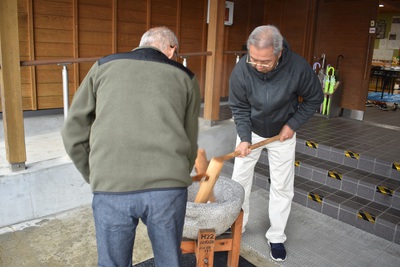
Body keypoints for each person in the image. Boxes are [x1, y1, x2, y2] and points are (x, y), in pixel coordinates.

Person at [61, 26, 200, 267]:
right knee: (169, 261)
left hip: (111, 187)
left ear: (142, 44)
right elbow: (190, 138)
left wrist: (95, 175)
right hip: (167, 189)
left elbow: (73, 132)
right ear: (172, 49)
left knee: (112, 263)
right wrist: (178, 173)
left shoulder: (103, 67)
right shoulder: (185, 76)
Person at [228, 25, 324, 262]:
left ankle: (277, 236)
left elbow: (315, 97)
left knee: (282, 186)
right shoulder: (242, 70)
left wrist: (293, 124)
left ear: (279, 53)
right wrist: (245, 138)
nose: (258, 65)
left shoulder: (298, 67)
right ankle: (237, 226)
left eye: (265, 61)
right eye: (253, 60)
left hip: (283, 134)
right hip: (250, 130)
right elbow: (239, 107)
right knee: (239, 181)